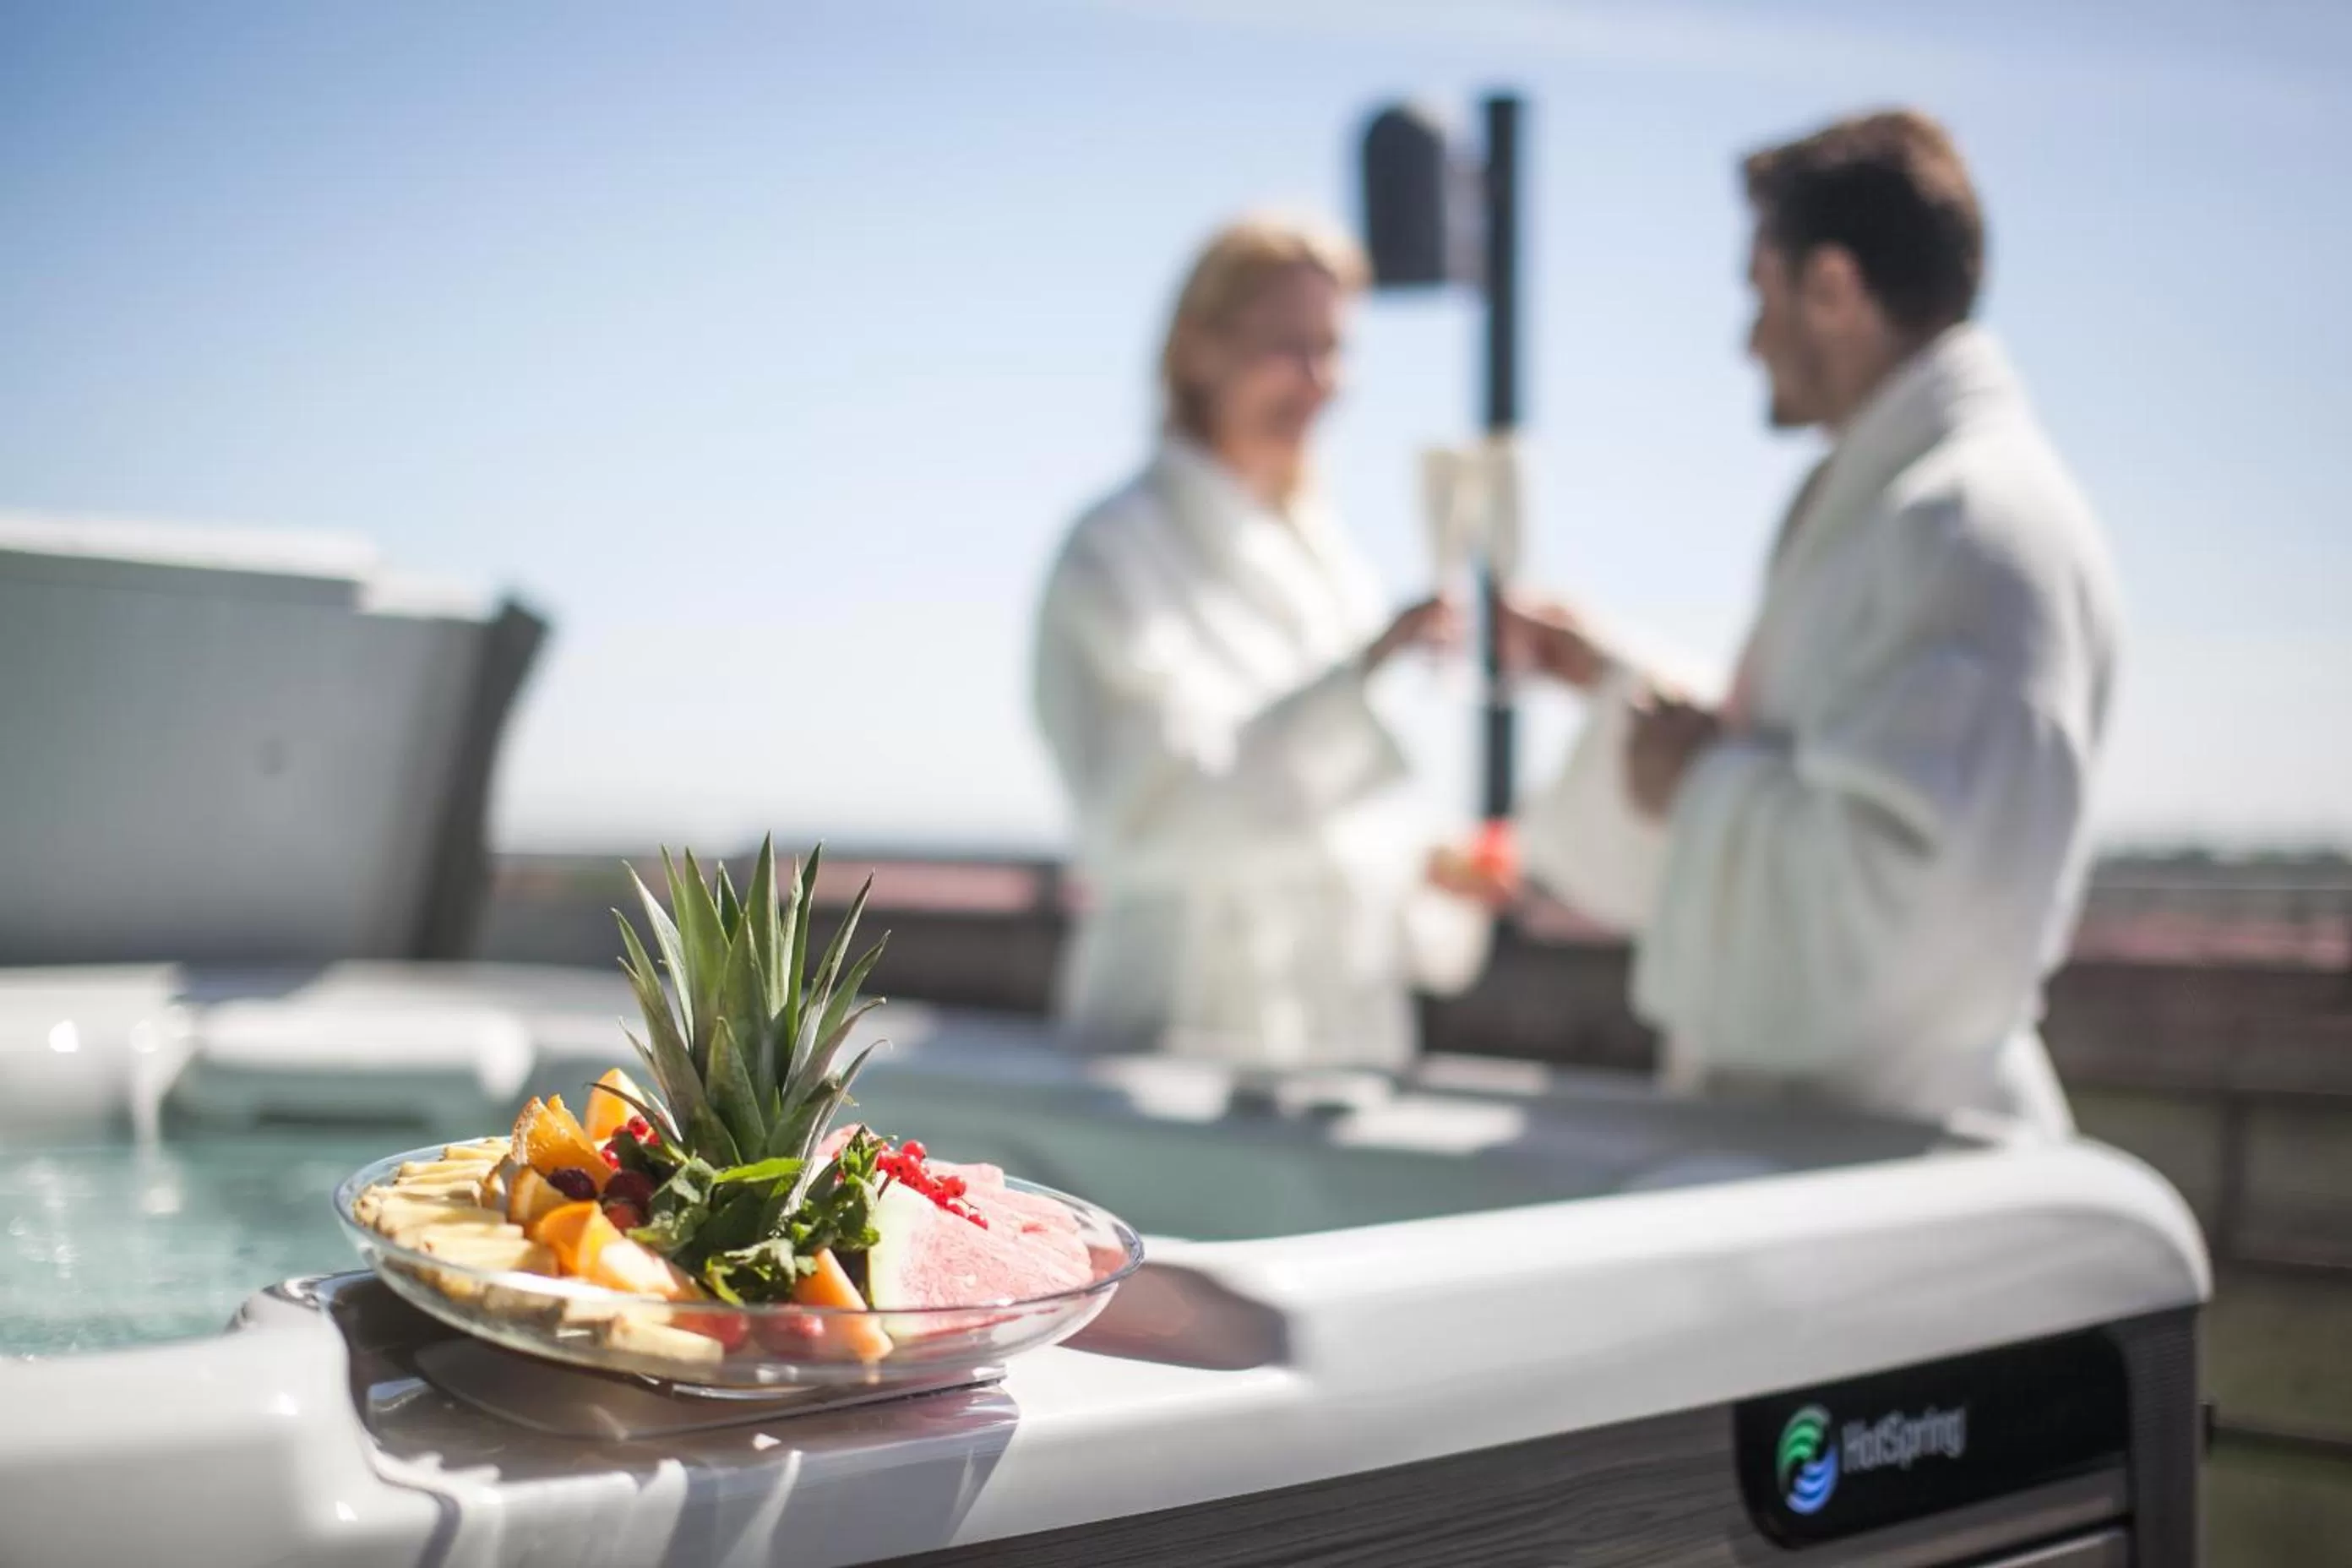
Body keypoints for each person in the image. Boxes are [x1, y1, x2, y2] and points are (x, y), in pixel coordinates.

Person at [1503, 111, 2119, 1138]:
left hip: (1895, 1156)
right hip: (1848, 1140)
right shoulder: (1919, 507)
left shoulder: (1963, 520)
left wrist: (1693, 783)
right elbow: (1827, 746)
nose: (1749, 337)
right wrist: (1615, 673)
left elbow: (1907, 898)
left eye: (1760, 289)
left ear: (1832, 285)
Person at [1032, 215, 1495, 1070]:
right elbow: (1159, 812)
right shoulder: (1114, 550)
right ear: (1198, 350)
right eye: (1290, 345)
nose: (1323, 381)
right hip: (1177, 1033)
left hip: (1341, 1041)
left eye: (1335, 348)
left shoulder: (1327, 558)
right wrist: (1364, 673)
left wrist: (1432, 869)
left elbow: (1340, 813)